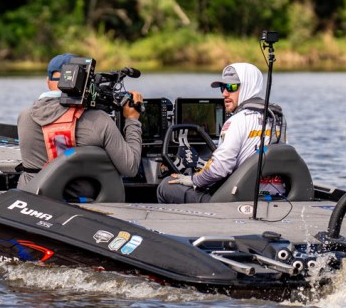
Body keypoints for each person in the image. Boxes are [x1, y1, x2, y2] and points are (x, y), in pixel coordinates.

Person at [16, 53, 143, 199]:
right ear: (84, 82)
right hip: (79, 203)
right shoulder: (99, 120)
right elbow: (130, 168)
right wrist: (132, 120)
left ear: (48, 81)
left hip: (30, 197)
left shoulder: (24, 116)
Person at [156, 62, 285, 204]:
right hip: (272, 195)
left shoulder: (236, 121)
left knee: (165, 186)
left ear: (248, 85)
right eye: (223, 87)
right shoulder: (277, 118)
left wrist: (193, 179)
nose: (225, 93)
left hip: (236, 201)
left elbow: (220, 168)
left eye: (232, 87)